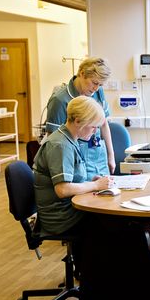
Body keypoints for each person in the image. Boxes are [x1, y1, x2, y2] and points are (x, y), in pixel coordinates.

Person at [33, 95, 114, 238]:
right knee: (119, 223)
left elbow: (71, 179)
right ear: (78, 121)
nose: (95, 131)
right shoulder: (60, 145)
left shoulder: (69, 139)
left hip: (70, 209)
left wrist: (92, 182)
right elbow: (62, 189)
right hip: (62, 218)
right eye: (93, 126)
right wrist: (95, 186)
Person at [45, 57, 115, 178]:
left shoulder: (98, 92)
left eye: (100, 84)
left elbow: (103, 124)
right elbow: (54, 142)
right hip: (76, 161)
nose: (96, 88)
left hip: (98, 155)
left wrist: (111, 156)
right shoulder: (59, 100)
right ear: (82, 74)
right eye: (94, 83)